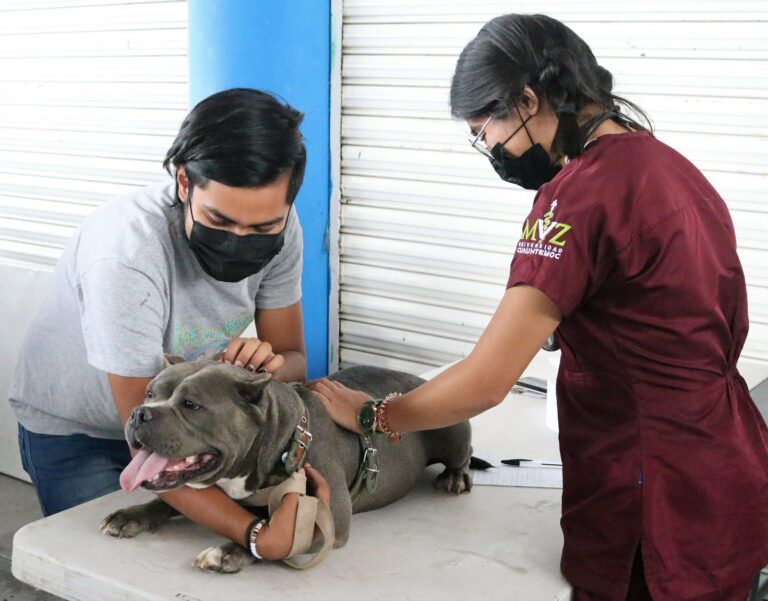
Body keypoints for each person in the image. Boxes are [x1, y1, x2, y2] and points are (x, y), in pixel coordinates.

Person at [309, 14, 768, 601]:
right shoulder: (674, 169)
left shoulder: (577, 194)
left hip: (650, 497)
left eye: (485, 131)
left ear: (526, 101)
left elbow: (485, 382)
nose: (491, 150)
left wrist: (376, 415)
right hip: (723, 473)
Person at [10, 88, 327, 560]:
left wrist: (259, 371)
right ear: (184, 183)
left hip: (198, 427)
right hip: (83, 433)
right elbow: (144, 434)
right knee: (114, 574)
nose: (241, 238)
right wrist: (258, 537)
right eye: (220, 219)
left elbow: (295, 360)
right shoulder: (127, 256)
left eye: (261, 228)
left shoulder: (281, 224)